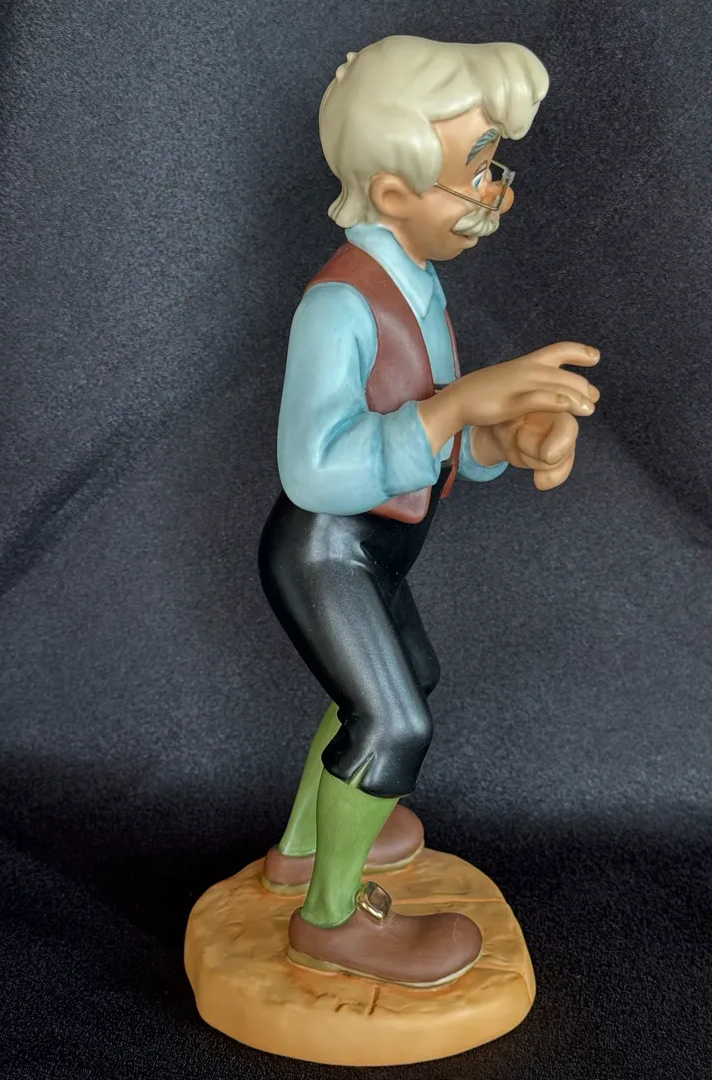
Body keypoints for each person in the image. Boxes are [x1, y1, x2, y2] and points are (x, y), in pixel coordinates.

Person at [257, 35, 600, 989]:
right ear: (392, 191)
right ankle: (330, 921)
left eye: (494, 168)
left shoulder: (417, 280)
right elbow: (313, 470)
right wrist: (459, 407)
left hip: (378, 548)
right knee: (393, 726)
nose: (495, 194)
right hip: (324, 547)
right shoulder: (338, 305)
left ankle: (302, 849)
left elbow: (429, 433)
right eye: (478, 173)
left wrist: (505, 439)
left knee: (403, 678)